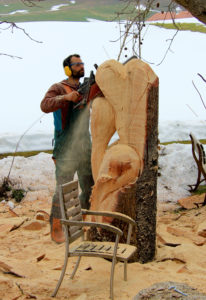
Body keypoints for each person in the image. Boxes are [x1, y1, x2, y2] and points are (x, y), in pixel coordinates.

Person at [40, 54, 94, 243]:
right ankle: (57, 228)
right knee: (62, 190)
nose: (81, 66)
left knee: (90, 188)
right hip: (65, 148)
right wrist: (66, 97)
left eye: (82, 63)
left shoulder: (87, 88)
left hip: (85, 147)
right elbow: (44, 105)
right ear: (68, 68)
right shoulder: (58, 87)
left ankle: (78, 221)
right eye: (77, 64)